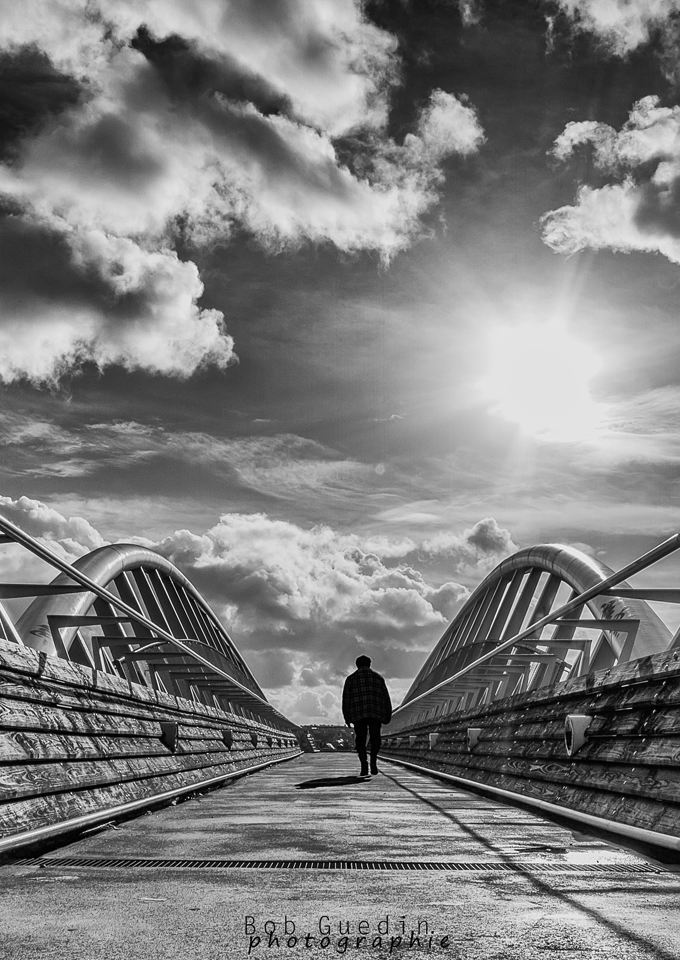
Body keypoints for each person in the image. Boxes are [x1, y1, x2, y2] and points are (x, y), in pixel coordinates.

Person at [342, 655, 392, 777]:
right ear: (369, 664)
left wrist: (347, 717)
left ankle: (364, 764)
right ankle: (373, 761)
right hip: (376, 713)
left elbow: (346, 700)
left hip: (358, 714)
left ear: (357, 665)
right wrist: (388, 713)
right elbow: (386, 698)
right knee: (376, 737)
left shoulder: (351, 679)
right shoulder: (378, 678)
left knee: (360, 739)